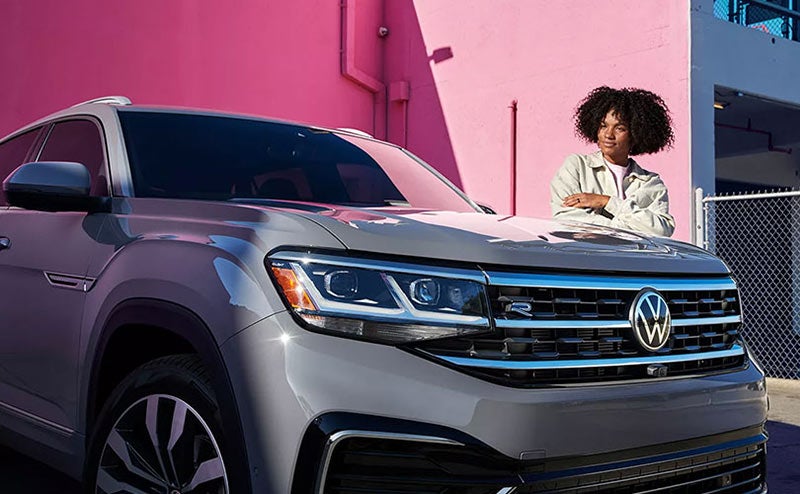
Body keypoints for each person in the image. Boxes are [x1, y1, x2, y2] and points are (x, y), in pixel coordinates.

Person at [550, 86, 675, 237]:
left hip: (633, 260)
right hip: (588, 259)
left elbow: (661, 231)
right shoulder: (576, 167)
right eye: (603, 126)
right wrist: (629, 230)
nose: (608, 134)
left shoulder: (650, 183)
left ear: (636, 133)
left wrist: (606, 202)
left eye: (619, 128)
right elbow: (566, 219)